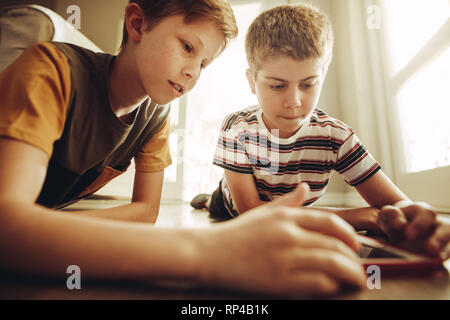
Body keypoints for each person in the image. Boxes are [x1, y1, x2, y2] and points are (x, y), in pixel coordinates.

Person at [0, 0, 371, 297]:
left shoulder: (155, 116)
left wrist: (48, 229)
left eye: (204, 62)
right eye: (187, 47)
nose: (193, 71)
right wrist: (206, 251)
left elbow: (145, 212)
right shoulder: (50, 69)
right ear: (137, 24)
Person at [191, 4, 450, 260]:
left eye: (308, 84)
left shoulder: (336, 136)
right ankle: (204, 200)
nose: (294, 101)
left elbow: (397, 203)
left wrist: (419, 218)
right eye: (277, 86)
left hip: (293, 210)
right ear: (252, 82)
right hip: (230, 206)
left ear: (322, 77)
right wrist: (356, 217)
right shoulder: (237, 128)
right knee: (212, 205)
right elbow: (251, 214)